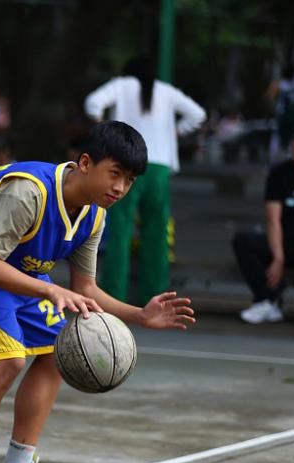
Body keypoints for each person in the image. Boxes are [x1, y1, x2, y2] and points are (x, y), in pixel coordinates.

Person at [0, 121, 195, 463]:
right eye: (114, 174)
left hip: (19, 271)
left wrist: (139, 315)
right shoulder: (30, 192)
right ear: (85, 163)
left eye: (130, 180)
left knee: (58, 350)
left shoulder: (95, 216)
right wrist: (50, 291)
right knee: (8, 359)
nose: (120, 188)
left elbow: (86, 288)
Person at [84, 56, 206, 304]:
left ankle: (112, 295)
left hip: (126, 165)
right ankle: (156, 296)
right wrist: (176, 131)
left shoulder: (122, 85)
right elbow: (198, 114)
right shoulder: (167, 91)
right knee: (157, 233)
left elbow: (93, 103)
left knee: (119, 231)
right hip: (159, 169)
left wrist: (106, 131)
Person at [232, 136, 294, 323]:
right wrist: (278, 257)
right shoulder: (280, 174)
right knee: (244, 241)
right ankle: (267, 299)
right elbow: (273, 219)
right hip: (284, 242)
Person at [267, 63, 294, 163]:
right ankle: (290, 158)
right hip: (293, 116)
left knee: (279, 139)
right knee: (291, 139)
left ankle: (278, 159)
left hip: (283, 116)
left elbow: (269, 97)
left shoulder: (279, 84)